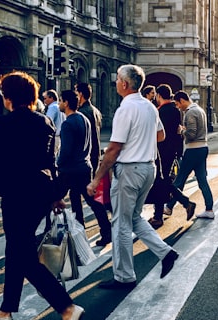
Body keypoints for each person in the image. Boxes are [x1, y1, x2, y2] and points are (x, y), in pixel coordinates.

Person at [0, 71, 84, 320]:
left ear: (8, 98)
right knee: (16, 248)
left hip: (17, 195)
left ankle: (66, 307)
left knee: (24, 256)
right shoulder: (44, 121)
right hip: (42, 192)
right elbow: (49, 160)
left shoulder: (3, 123)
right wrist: (56, 195)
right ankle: (6, 309)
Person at [86, 64, 179, 290]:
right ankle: (165, 253)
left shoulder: (125, 109)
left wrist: (96, 179)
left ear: (124, 84)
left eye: (117, 79)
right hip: (148, 168)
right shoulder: (150, 107)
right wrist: (141, 141)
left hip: (129, 170)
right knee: (134, 217)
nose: (116, 82)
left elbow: (114, 148)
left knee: (120, 224)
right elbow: (161, 135)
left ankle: (124, 276)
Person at [56, 90, 112, 244]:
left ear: (66, 103)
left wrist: (58, 163)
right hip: (84, 167)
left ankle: (46, 235)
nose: (59, 103)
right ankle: (105, 231)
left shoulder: (68, 123)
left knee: (52, 198)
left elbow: (66, 150)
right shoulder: (83, 118)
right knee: (91, 201)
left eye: (60, 100)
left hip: (69, 170)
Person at [148, 84, 196, 227]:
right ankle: (181, 204)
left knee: (160, 182)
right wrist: (178, 151)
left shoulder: (160, 112)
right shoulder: (176, 110)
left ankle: (161, 214)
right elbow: (177, 132)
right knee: (162, 182)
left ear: (159, 96)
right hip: (171, 151)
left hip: (161, 152)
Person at [166, 91, 215, 219]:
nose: (178, 107)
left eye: (177, 104)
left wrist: (182, 130)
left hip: (193, 149)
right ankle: (209, 209)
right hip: (202, 148)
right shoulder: (199, 109)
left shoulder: (190, 112)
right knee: (202, 180)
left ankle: (168, 207)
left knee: (180, 179)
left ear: (182, 100)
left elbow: (191, 134)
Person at [42, 89, 64, 155]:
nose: (44, 100)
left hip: (54, 137)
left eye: (45, 98)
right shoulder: (59, 107)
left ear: (51, 98)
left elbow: (48, 122)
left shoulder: (52, 107)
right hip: (60, 136)